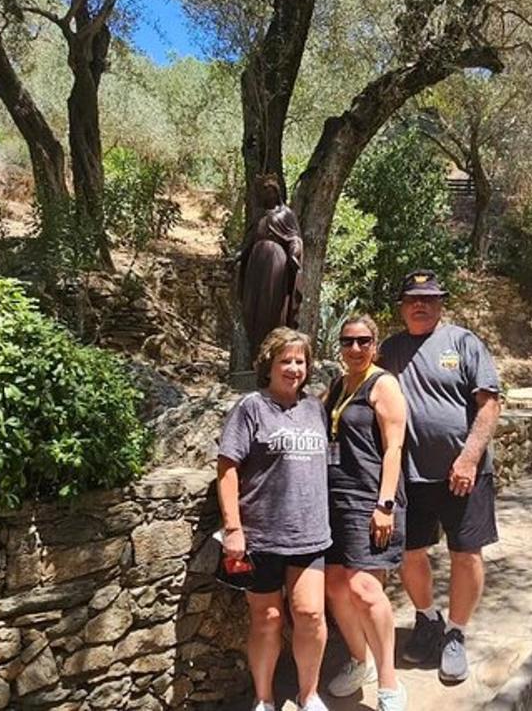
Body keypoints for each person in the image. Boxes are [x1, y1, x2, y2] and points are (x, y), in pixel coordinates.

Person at [377, 270, 502, 685]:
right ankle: (428, 620)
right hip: (410, 477)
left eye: (429, 299)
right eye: (413, 298)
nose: (421, 305)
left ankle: (455, 633)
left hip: (464, 474)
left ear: (440, 303)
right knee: (412, 554)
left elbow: (489, 406)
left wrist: (468, 459)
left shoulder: (464, 343)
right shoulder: (390, 350)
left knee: (466, 554)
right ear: (402, 305)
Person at [217, 327, 331, 711]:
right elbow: (228, 467)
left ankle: (308, 694)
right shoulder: (251, 408)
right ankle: (264, 698)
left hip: (310, 533)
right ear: (269, 364)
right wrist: (233, 528)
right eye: (286, 360)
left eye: (300, 361)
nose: (294, 368)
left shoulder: (316, 408)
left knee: (310, 614)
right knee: (266, 618)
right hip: (261, 535)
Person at [323, 315, 409, 710]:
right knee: (335, 584)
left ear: (375, 345)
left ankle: (388, 684)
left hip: (370, 500)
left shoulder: (383, 384)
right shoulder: (339, 385)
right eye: (347, 341)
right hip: (335, 498)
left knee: (365, 588)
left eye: (363, 341)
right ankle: (360, 661)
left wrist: (384, 505)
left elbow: (394, 447)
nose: (354, 349)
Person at [236, 178, 304, 355]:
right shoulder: (259, 214)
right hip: (255, 262)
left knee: (270, 305)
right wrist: (238, 256)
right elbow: (249, 241)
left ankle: (272, 346)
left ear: (277, 193)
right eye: (264, 191)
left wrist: (295, 250)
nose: (268, 194)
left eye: (271, 190)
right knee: (251, 305)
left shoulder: (286, 214)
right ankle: (254, 348)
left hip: (275, 262)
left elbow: (294, 237)